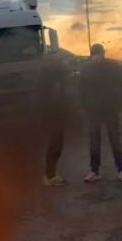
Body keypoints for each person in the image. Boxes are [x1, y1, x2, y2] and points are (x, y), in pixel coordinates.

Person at [80, 44, 122, 183]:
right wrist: (118, 103)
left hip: (96, 110)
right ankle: (121, 170)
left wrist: (85, 106)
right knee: (114, 139)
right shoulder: (113, 66)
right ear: (104, 52)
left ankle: (95, 171)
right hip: (109, 109)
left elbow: (80, 90)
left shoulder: (86, 68)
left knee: (96, 141)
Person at [38, 54, 69, 186]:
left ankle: (51, 174)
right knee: (55, 146)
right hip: (53, 116)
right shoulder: (53, 80)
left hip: (53, 116)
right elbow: (57, 98)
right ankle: (49, 176)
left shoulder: (49, 78)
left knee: (55, 145)